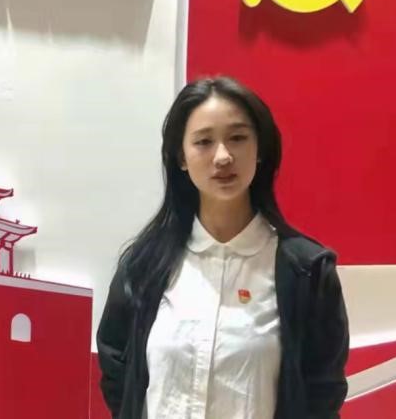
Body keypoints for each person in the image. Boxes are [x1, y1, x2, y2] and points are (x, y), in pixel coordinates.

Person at [96, 76, 349, 418]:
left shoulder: (306, 273)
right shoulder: (143, 266)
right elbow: (117, 374)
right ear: (181, 157)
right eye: (203, 141)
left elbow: (322, 395)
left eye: (238, 138)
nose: (223, 156)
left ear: (260, 150)